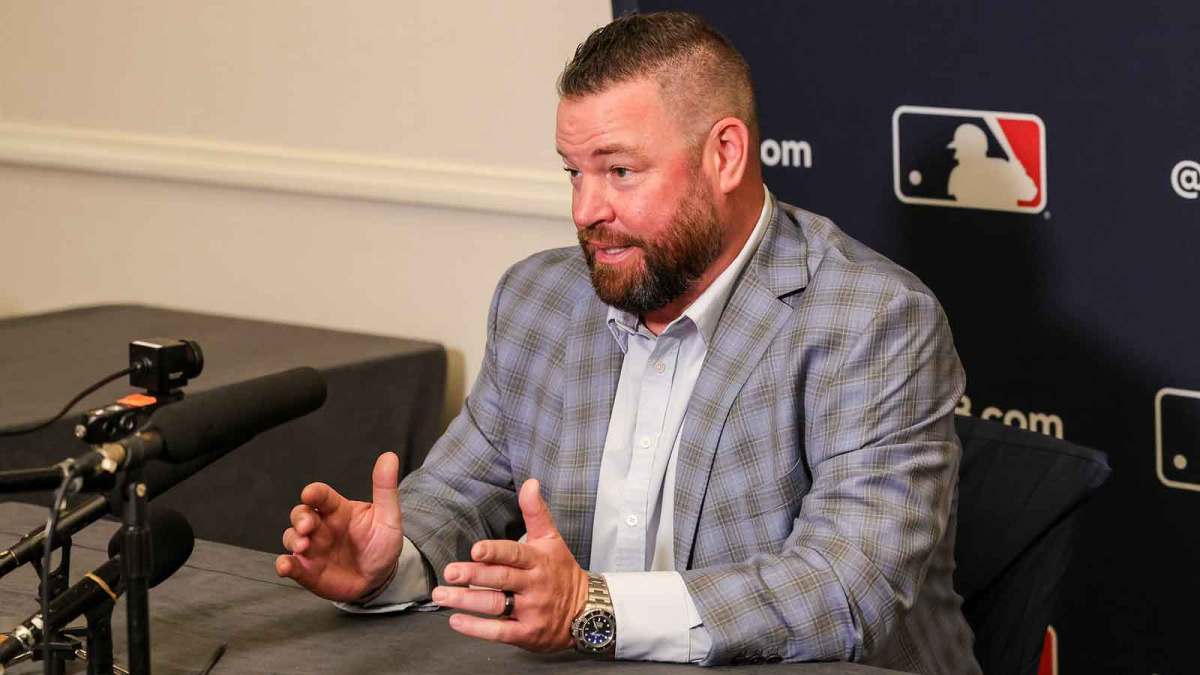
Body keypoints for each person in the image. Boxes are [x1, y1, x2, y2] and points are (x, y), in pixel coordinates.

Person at [276, 11, 980, 672]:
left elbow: (846, 585)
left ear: (725, 155)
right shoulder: (538, 299)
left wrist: (595, 609)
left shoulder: (873, 318)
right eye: (573, 173)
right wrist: (391, 559)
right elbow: (464, 488)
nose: (586, 211)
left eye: (620, 171)